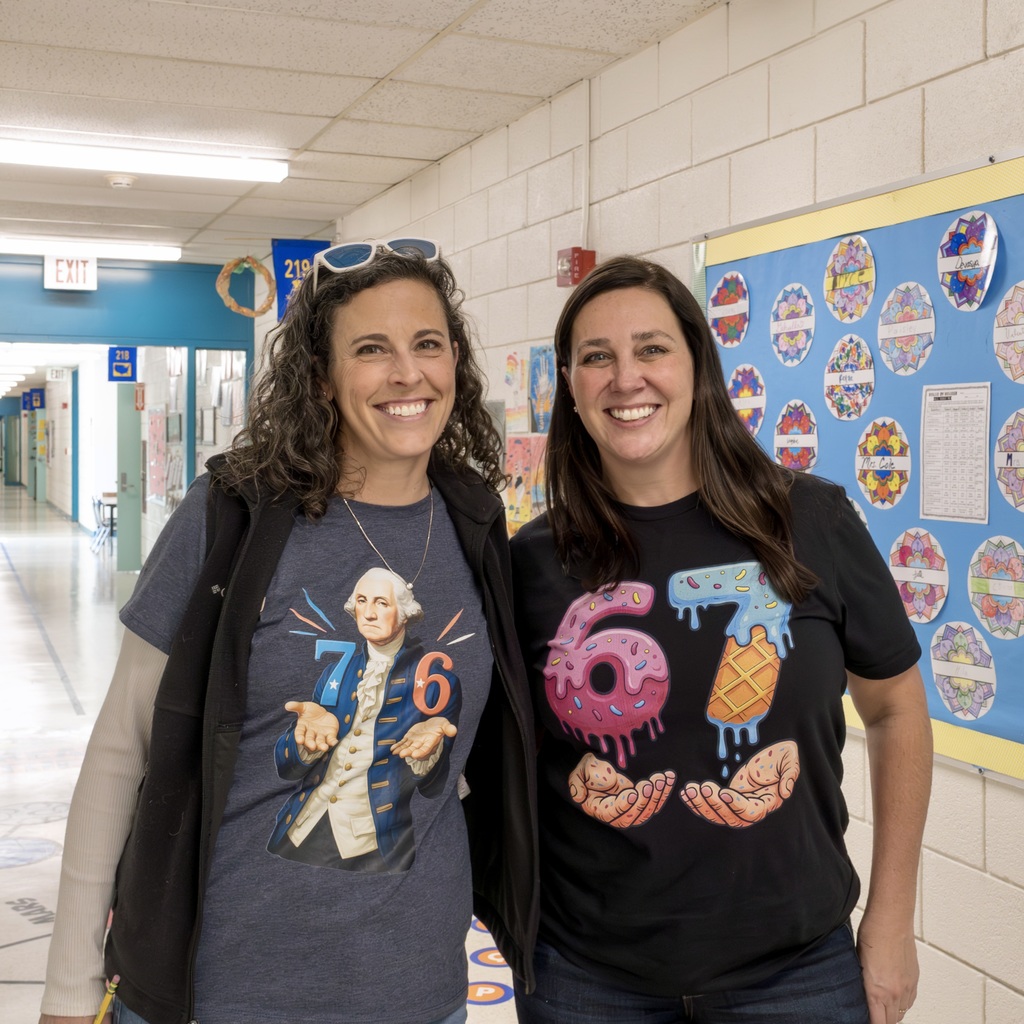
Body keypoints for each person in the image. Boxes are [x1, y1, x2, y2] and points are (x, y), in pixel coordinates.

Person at [39, 240, 538, 1024]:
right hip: (223, 991)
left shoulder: (474, 520)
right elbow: (120, 752)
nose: (408, 373)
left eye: (428, 344)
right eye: (371, 349)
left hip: (418, 993)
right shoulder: (232, 513)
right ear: (320, 377)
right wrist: (68, 991)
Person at [510, 255, 932, 1024]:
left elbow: (898, 711)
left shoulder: (810, 522)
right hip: (586, 977)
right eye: (596, 358)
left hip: (794, 972)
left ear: (697, 365)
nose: (625, 378)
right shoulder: (531, 565)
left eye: (651, 348)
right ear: (567, 386)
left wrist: (892, 919)